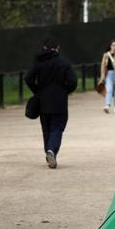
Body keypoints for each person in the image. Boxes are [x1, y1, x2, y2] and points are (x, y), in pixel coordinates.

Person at [25, 37, 77, 169]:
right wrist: (65, 90)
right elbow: (73, 82)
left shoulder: (38, 62)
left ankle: (49, 151)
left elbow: (28, 78)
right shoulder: (64, 63)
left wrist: (37, 90)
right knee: (57, 127)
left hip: (43, 101)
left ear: (44, 48)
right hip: (59, 101)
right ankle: (51, 151)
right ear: (57, 48)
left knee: (46, 129)